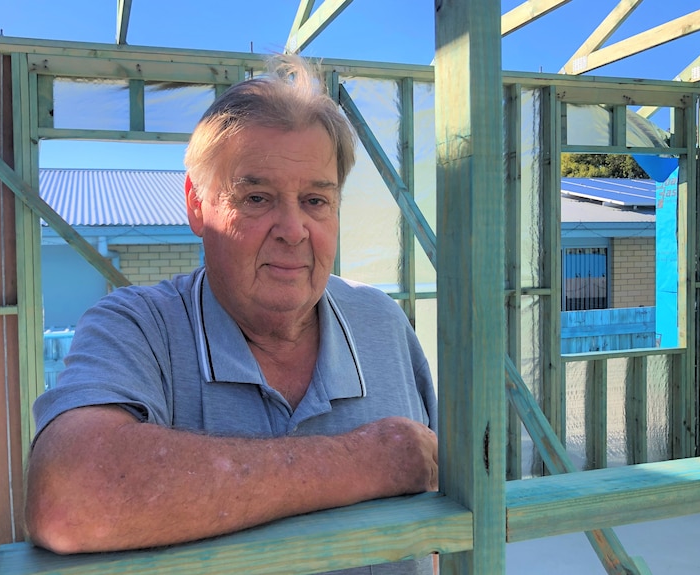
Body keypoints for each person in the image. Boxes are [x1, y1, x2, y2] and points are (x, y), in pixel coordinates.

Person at [25, 54, 439, 574]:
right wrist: (365, 461)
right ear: (196, 206)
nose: (293, 229)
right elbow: (69, 497)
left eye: (315, 201)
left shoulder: (382, 321)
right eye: (258, 197)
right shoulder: (139, 327)